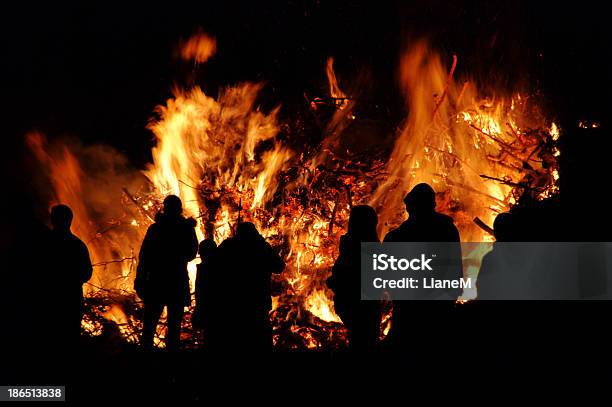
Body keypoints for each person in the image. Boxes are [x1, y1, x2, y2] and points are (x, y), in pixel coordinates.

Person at [382, 183, 462, 351]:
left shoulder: (396, 238)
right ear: (432, 205)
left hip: (411, 311)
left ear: (410, 206)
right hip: (439, 309)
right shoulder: (448, 230)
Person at [136, 195, 198, 351]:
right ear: (179, 209)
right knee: (173, 327)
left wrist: (140, 279)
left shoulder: (156, 229)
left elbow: (145, 257)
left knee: (150, 325)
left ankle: (147, 359)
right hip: (175, 282)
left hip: (157, 281)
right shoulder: (186, 229)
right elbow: (191, 253)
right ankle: (171, 362)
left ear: (165, 208)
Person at [213, 222, 284, 352]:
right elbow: (279, 266)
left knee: (236, 336)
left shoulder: (228, 246)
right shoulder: (261, 247)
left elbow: (214, 265)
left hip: (234, 299)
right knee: (259, 335)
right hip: (258, 299)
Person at [327, 205, 381, 351]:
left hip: (351, 305)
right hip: (365, 308)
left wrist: (333, 282)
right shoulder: (370, 247)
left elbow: (339, 277)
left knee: (359, 342)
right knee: (366, 343)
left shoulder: (350, 246)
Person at [48, 204, 93, 340]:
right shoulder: (77, 245)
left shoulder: (43, 242)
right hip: (71, 299)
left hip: (51, 299)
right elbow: (87, 273)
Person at [193, 238, 217, 332]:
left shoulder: (205, 270)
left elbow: (200, 293)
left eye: (201, 252)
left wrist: (198, 310)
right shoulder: (204, 268)